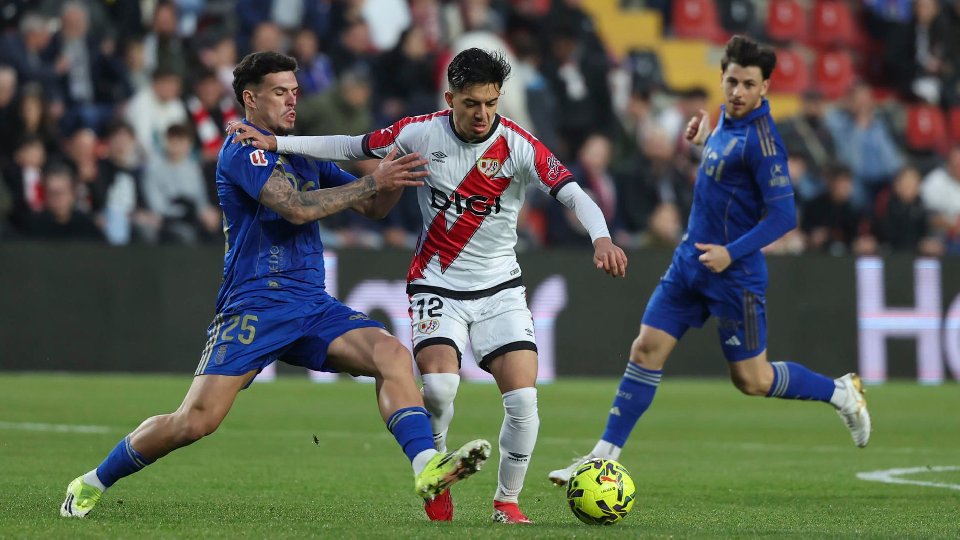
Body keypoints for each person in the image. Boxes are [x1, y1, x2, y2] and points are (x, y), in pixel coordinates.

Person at [60, 51, 491, 519]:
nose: (292, 101)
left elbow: (373, 210)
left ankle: (427, 468)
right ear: (250, 98)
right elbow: (296, 208)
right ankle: (91, 481)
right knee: (195, 422)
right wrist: (374, 183)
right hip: (254, 306)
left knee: (391, 354)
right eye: (280, 92)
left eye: (295, 91)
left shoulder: (298, 149)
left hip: (311, 306)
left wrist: (394, 166)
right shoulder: (243, 149)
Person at [231, 47, 628, 524]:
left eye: (490, 103)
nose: (482, 114)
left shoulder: (520, 145)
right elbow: (352, 145)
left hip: (500, 287)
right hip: (436, 286)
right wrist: (279, 146)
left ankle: (506, 503)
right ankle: (436, 480)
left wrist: (601, 237)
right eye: (471, 104)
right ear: (450, 99)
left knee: (523, 400)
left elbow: (573, 192)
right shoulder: (420, 131)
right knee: (438, 390)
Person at [545, 36, 872, 487]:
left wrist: (731, 252)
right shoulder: (725, 125)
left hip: (733, 276)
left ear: (766, 89)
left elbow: (784, 216)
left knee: (752, 380)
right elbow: (726, 183)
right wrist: (703, 142)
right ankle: (599, 458)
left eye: (748, 84)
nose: (738, 91)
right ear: (721, 79)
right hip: (689, 263)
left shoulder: (764, 142)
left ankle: (841, 392)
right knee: (645, 349)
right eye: (732, 81)